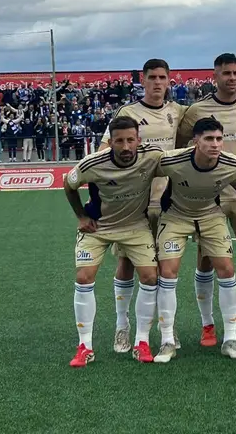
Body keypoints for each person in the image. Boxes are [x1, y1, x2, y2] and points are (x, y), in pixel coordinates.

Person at [176, 54, 236, 346]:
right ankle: (208, 325)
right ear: (214, 77)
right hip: (208, 196)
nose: (232, 78)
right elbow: (180, 145)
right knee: (206, 260)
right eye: (226, 73)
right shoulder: (197, 110)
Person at [98, 58, 188, 354]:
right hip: (132, 205)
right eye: (152, 77)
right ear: (143, 81)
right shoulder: (128, 113)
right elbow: (103, 150)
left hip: (167, 203)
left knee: (165, 267)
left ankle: (166, 326)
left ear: (169, 81)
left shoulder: (178, 112)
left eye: (162, 77)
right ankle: (122, 326)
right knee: (126, 264)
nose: (158, 83)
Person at [62, 116, 164, 368]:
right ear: (110, 143)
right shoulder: (92, 163)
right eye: (119, 141)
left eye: (131, 140)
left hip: (135, 226)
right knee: (84, 277)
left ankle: (141, 341)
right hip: (99, 227)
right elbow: (68, 183)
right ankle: (84, 346)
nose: (126, 146)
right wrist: (81, 216)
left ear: (139, 140)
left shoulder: (152, 156)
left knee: (150, 277)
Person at [154, 117, 236, 363]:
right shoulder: (171, 160)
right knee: (168, 272)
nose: (215, 144)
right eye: (209, 139)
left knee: (227, 269)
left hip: (210, 215)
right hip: (176, 215)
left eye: (219, 139)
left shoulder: (232, 164)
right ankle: (167, 340)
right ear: (195, 141)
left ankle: (230, 339)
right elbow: (142, 173)